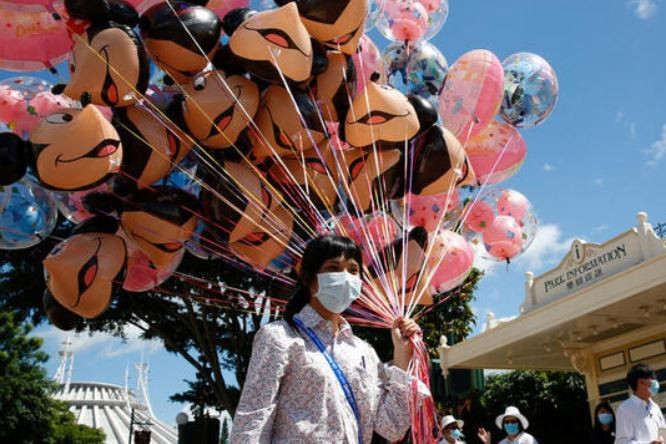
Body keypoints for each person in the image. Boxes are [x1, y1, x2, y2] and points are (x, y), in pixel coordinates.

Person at [230, 235, 420, 443]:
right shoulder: (279, 337)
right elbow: (252, 420)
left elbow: (391, 428)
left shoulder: (363, 351)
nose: (345, 277)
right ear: (308, 278)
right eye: (333, 268)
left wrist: (402, 357)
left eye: (353, 270)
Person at [615, 363, 666, 444]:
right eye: (652, 378)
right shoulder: (624, 409)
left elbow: (663, 432)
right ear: (641, 382)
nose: (655, 382)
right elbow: (621, 442)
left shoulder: (655, 407)